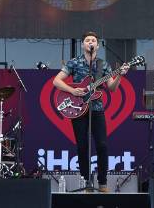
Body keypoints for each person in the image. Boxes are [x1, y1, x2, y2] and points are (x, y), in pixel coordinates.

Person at [52, 31, 129, 192]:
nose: (90, 42)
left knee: (102, 145)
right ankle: (86, 182)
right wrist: (72, 91)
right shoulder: (74, 62)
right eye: (87, 40)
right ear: (82, 45)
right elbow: (56, 81)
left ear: (98, 46)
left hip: (97, 109)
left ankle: (102, 183)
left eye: (93, 40)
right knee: (82, 146)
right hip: (78, 109)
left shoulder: (103, 64)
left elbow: (112, 88)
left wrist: (120, 75)